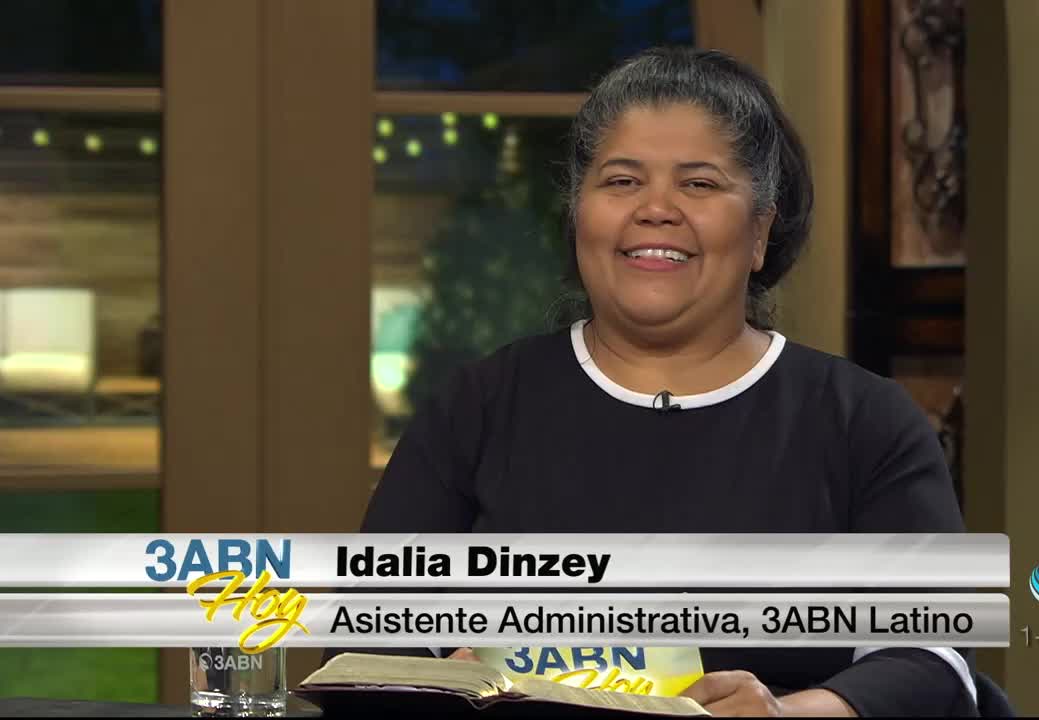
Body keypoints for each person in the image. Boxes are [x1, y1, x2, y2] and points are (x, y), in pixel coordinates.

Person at [357, 47, 977, 717]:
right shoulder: (476, 408)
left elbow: (934, 660)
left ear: (762, 230)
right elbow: (369, 639)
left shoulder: (864, 423)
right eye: (622, 181)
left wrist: (789, 714)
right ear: (579, 215)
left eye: (699, 184)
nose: (656, 209)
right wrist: (442, 679)